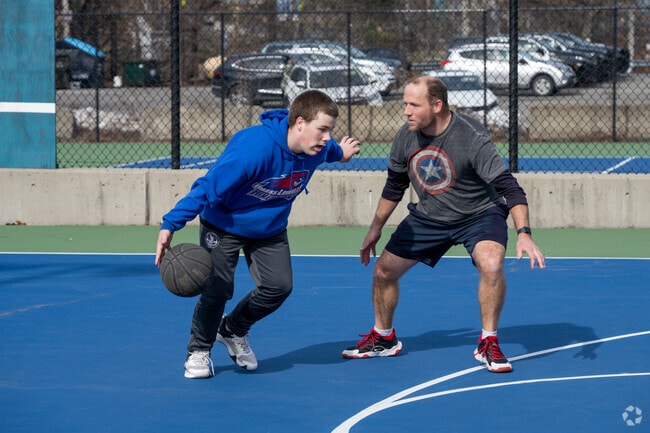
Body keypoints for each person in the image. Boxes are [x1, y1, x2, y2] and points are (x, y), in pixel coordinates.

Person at [341, 75, 545, 372]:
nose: (406, 111)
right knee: (384, 271)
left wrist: (524, 234)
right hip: (430, 216)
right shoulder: (404, 137)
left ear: (436, 105)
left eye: (413, 105)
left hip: (478, 214)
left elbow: (510, 188)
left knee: (491, 264)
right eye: (404, 104)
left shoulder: (470, 137)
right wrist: (375, 228)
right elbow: (394, 187)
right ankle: (384, 339)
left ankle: (488, 341)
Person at [155, 90, 361, 379]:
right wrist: (170, 224)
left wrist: (344, 154)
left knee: (279, 287)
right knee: (218, 289)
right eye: (323, 129)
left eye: (331, 131)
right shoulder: (254, 150)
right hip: (224, 224)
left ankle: (233, 329)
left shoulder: (319, 148)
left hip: (269, 228)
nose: (328, 137)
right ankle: (199, 350)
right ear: (299, 123)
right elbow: (207, 187)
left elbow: (334, 152)